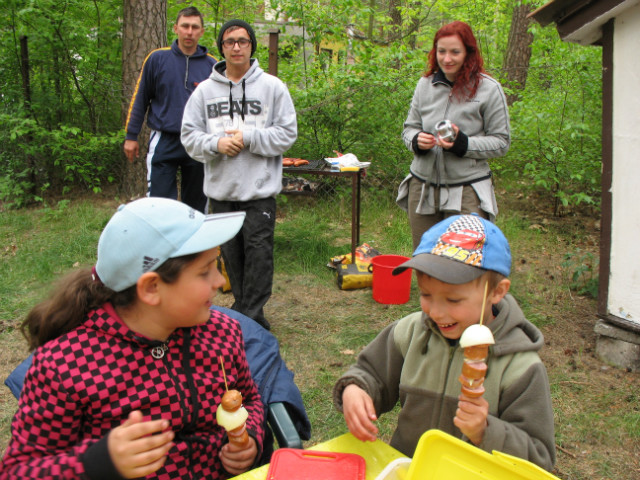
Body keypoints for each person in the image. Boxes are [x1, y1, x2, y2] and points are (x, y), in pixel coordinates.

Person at [0, 198, 264, 480]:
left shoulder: (221, 333)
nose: (219, 282)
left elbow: (249, 399)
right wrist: (97, 463)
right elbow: (18, 471)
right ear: (151, 288)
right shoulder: (64, 367)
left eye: (217, 264)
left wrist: (251, 441)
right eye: (204, 271)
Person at [333, 214, 556, 471]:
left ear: (496, 292)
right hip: (411, 470)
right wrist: (355, 390)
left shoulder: (520, 367)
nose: (436, 312)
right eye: (426, 295)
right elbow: (370, 373)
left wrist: (486, 431)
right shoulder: (410, 333)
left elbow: (539, 459)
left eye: (453, 300)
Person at [181, 19, 297, 330]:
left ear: (251, 46)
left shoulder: (273, 87)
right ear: (221, 47)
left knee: (259, 255)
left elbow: (287, 134)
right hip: (221, 191)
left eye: (242, 41)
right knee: (232, 256)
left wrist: (249, 138)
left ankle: (251, 316)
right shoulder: (204, 92)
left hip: (259, 190)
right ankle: (245, 311)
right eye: (230, 41)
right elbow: (189, 136)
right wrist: (217, 144)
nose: (236, 47)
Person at [398, 21, 511, 249]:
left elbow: (501, 142)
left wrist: (463, 144)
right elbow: (408, 129)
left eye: (455, 52)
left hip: (467, 189)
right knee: (426, 257)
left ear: (469, 53)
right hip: (423, 187)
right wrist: (417, 140)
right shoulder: (425, 85)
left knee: (463, 260)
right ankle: (427, 288)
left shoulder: (488, 89)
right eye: (442, 51)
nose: (447, 59)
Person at [124, 6, 215, 213]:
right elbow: (141, 98)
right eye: (185, 26)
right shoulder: (157, 59)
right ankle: (163, 244)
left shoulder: (213, 66)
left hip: (199, 141)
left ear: (201, 31)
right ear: (176, 28)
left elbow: (221, 107)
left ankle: (195, 245)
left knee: (197, 204)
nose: (189, 32)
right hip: (164, 139)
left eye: (194, 27)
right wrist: (131, 135)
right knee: (159, 203)